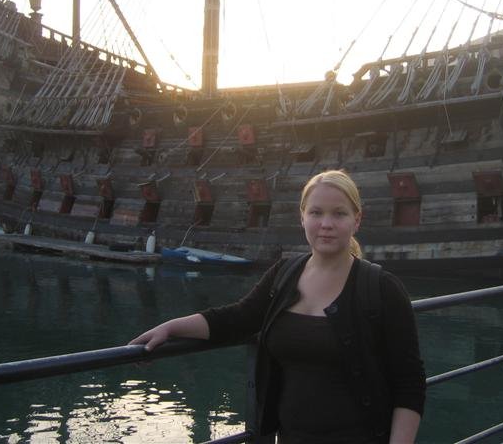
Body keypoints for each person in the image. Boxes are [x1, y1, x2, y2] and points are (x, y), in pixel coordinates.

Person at [129, 169, 426, 443]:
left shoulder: (382, 288)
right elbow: (238, 318)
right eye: (316, 212)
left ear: (356, 220)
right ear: (302, 217)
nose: (326, 224)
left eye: (339, 213)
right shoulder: (284, 275)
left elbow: (409, 382)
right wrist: (170, 328)